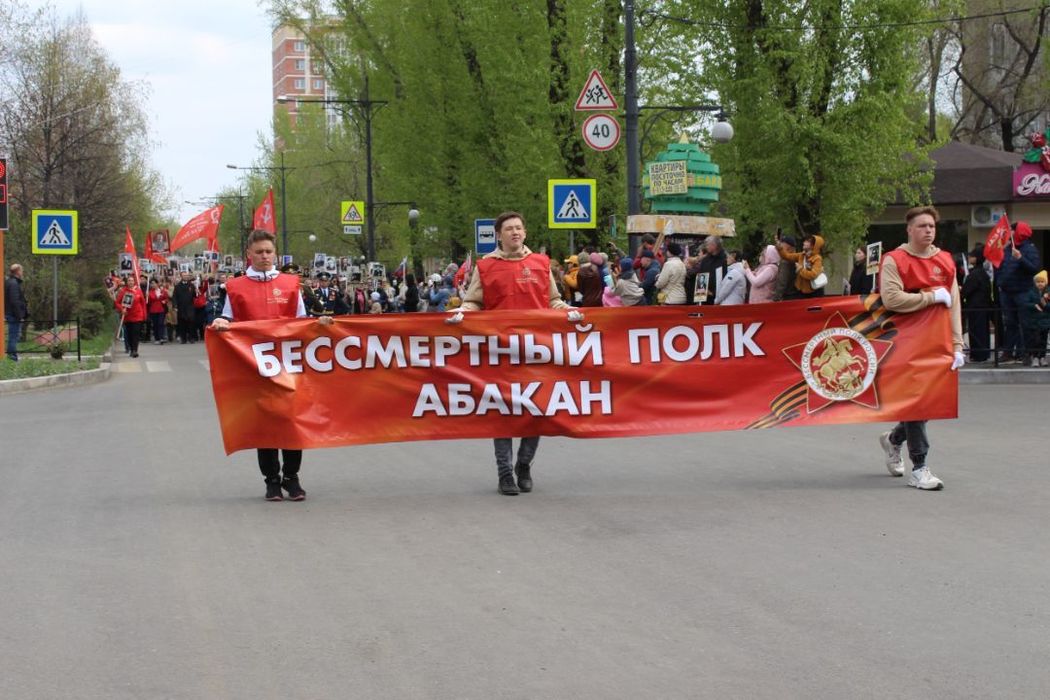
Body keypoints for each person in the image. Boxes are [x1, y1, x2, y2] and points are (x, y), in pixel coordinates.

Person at [454, 211, 577, 496]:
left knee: (537, 410)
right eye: (509, 229)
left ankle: (524, 464)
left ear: (525, 232)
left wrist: (567, 311)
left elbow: (553, 300)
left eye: (519, 228)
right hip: (500, 350)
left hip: (536, 350)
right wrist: (462, 312)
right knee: (503, 413)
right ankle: (504, 473)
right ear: (499, 235)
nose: (515, 232)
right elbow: (473, 302)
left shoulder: (540, 263)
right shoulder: (486, 266)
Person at [209, 230, 333, 502]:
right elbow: (227, 319)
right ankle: (272, 481)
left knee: (292, 421)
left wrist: (319, 324)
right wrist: (220, 322)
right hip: (253, 365)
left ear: (275, 254)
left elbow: (302, 322)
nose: (264, 256)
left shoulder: (291, 284)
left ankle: (292, 477)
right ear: (249, 255)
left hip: (288, 364)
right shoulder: (235, 287)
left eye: (268, 251)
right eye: (259, 252)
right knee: (263, 423)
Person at [877, 206, 963, 491]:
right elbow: (891, 298)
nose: (928, 230)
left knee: (927, 404)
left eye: (932, 226)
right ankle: (920, 467)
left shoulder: (945, 261)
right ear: (909, 230)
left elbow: (954, 304)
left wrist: (958, 344)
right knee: (917, 402)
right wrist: (929, 297)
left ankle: (893, 439)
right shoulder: (895, 260)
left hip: (937, 343)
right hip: (905, 343)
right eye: (922, 226)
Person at [995, 221, 1041, 362]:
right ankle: (1008, 352)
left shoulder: (1030, 249)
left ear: (1019, 232)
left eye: (1012, 230)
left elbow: (1034, 268)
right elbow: (1001, 266)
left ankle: (1026, 353)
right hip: (1007, 292)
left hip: (1023, 291)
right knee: (1010, 323)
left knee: (1025, 323)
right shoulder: (1008, 248)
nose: (1009, 233)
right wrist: (999, 281)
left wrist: (1020, 258)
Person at [962, 244, 993, 363]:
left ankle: (978, 355)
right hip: (983, 305)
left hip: (975, 306)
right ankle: (983, 354)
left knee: (976, 331)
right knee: (982, 331)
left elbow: (967, 290)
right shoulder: (983, 273)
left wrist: (961, 292)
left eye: (972, 256)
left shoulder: (975, 274)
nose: (969, 258)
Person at [778, 234, 825, 298]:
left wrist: (800, 269)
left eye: (807, 241)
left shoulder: (817, 258)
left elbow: (813, 274)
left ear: (813, 246)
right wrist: (779, 247)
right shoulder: (802, 255)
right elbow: (786, 256)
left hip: (814, 292)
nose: (804, 242)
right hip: (801, 291)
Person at [1020, 270, 1050, 366]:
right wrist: (1034, 305)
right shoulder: (1031, 292)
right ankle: (1035, 357)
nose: (1040, 284)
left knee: (1043, 340)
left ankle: (1042, 357)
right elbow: (1025, 303)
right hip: (1034, 321)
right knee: (1035, 340)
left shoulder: (1048, 292)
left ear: (1046, 282)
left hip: (1045, 321)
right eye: (1038, 282)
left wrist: (1045, 305)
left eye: (1042, 281)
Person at [113, 275, 146, 358]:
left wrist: (144, 315)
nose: (131, 282)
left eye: (132, 280)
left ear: (134, 282)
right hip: (128, 316)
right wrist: (122, 309)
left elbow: (143, 303)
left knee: (136, 333)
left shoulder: (138, 291)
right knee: (130, 334)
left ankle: (135, 350)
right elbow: (117, 303)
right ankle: (131, 349)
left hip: (138, 315)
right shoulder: (123, 291)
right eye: (129, 281)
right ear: (127, 282)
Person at [691, 236, 727, 305]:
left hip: (719, 297)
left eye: (707, 245)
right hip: (704, 297)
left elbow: (725, 279)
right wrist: (700, 296)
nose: (706, 247)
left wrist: (713, 292)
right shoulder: (705, 260)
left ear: (714, 245)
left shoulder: (724, 260)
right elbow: (701, 275)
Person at [4, 264, 29, 361]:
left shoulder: (9, 282)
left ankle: (11, 356)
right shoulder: (14, 284)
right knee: (13, 336)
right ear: (18, 271)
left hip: (10, 313)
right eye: (21, 271)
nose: (22, 273)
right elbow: (15, 301)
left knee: (13, 336)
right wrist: (19, 316)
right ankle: (12, 358)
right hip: (13, 314)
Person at [772, 235, 799, 301]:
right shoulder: (797, 258)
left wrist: (776, 298)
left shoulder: (785, 261)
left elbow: (782, 282)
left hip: (788, 298)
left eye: (782, 243)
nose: (780, 245)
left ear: (788, 247)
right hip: (797, 295)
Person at [172, 272, 197, 343]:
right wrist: (175, 306)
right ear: (181, 277)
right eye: (184, 275)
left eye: (186, 275)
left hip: (190, 307)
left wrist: (196, 292)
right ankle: (183, 338)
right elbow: (174, 297)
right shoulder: (177, 286)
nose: (186, 277)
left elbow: (195, 296)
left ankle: (191, 338)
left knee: (191, 322)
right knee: (182, 323)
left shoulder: (191, 285)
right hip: (181, 307)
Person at [146, 278, 169, 345]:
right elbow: (148, 302)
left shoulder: (162, 291)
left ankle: (161, 337)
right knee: (155, 324)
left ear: (157, 284)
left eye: (154, 283)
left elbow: (166, 298)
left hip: (161, 309)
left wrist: (165, 301)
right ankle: (157, 338)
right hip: (153, 310)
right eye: (151, 284)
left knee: (160, 323)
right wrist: (147, 296)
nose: (152, 285)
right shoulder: (150, 292)